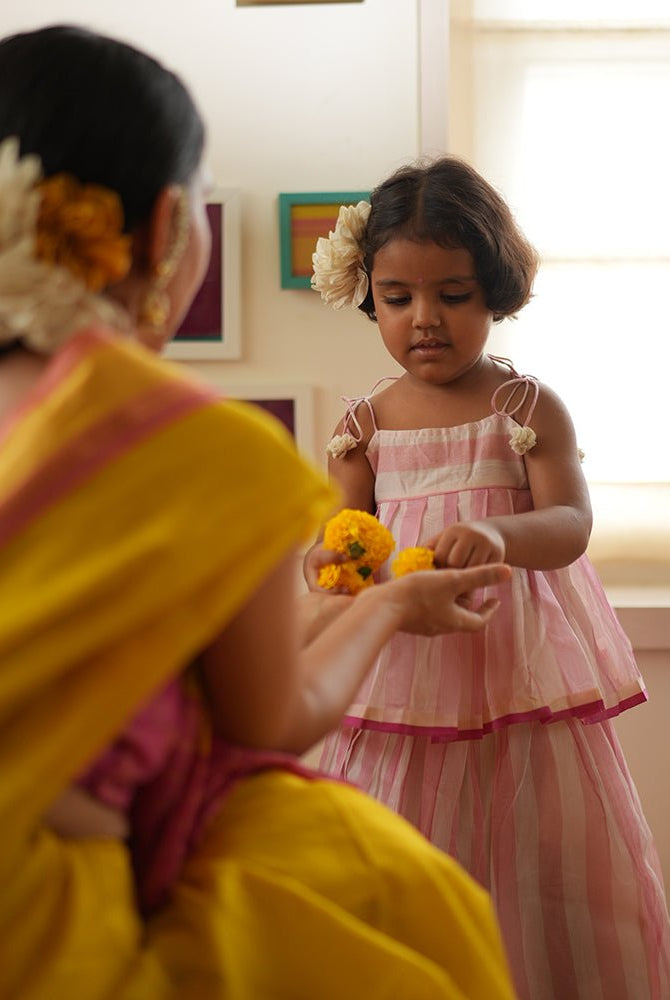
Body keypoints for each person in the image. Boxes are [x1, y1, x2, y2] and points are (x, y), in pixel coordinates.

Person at [0, 25, 521, 1000]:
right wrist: (388, 605)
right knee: (414, 909)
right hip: (48, 917)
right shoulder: (199, 447)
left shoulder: (521, 403)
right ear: (168, 226)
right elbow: (272, 715)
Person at [307, 157, 670, 1000]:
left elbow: (570, 524)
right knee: (404, 848)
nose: (425, 319)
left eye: (453, 295)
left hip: (520, 675)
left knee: (542, 855)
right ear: (368, 297)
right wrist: (321, 561)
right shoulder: (364, 426)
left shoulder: (525, 408)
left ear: (493, 291)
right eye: (397, 298)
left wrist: (497, 532)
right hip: (405, 680)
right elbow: (340, 543)